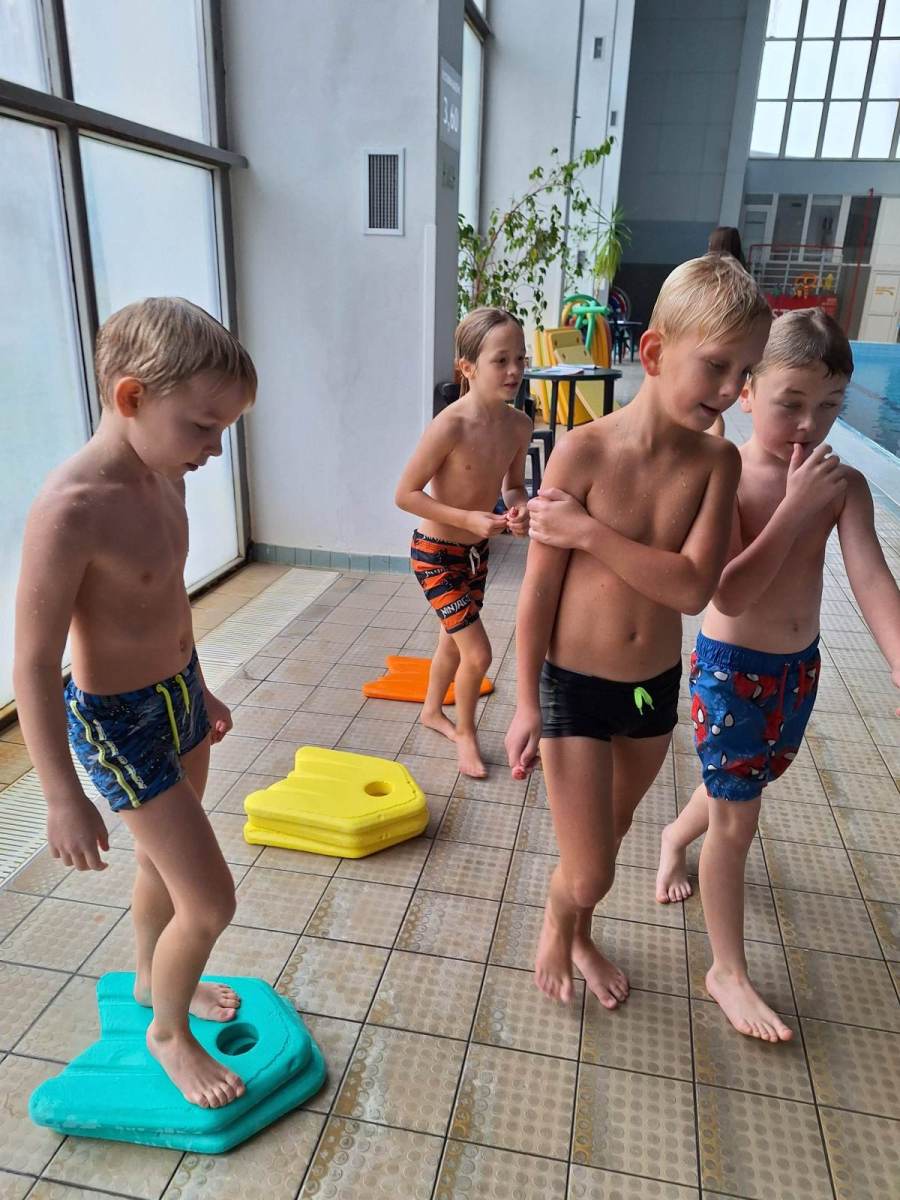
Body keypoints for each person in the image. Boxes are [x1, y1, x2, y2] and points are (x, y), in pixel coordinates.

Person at [505, 255, 771, 1007]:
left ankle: (581, 934)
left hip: (651, 692)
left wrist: (589, 532)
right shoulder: (583, 451)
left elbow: (691, 589)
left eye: (745, 372)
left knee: (614, 829)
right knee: (590, 867)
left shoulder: (717, 463)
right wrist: (524, 701)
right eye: (716, 365)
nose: (731, 389)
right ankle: (560, 920)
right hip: (573, 690)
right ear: (653, 352)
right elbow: (537, 593)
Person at [14, 298, 257, 1108]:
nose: (214, 448)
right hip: (118, 723)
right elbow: (34, 662)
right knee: (210, 901)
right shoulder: (71, 509)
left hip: (180, 693)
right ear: (131, 397)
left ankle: (156, 979)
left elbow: (165, 600)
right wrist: (61, 796)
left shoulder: (164, 474)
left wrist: (199, 683)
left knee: (162, 863)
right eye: (203, 427)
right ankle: (167, 1035)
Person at [655, 308, 900, 1041]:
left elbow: (872, 578)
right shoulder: (725, 474)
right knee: (737, 818)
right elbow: (729, 592)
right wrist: (794, 509)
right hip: (730, 671)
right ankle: (726, 972)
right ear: (748, 391)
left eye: (829, 407)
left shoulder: (844, 485)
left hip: (798, 671)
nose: (809, 425)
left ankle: (673, 838)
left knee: (737, 788)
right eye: (791, 403)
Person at [395, 307, 532, 778]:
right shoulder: (450, 425)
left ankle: (432, 711)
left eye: (520, 358)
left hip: (474, 554)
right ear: (467, 367)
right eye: (501, 360)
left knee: (454, 644)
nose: (514, 370)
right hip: (434, 555)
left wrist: (518, 509)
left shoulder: (519, 425)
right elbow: (405, 494)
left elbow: (514, 486)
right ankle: (467, 734)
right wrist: (467, 517)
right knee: (478, 653)